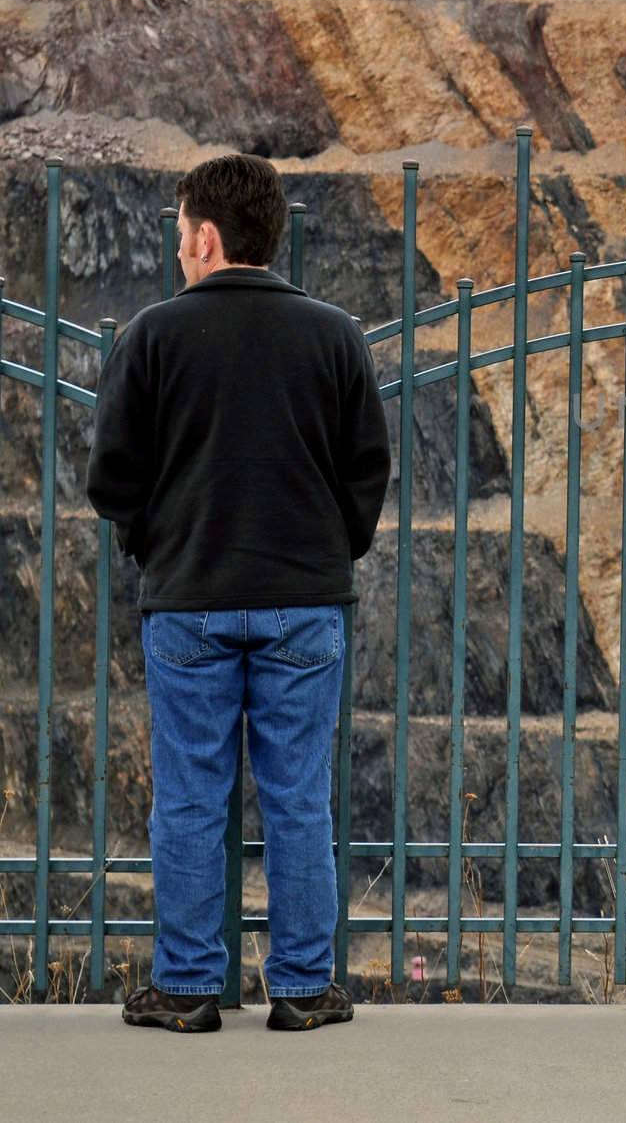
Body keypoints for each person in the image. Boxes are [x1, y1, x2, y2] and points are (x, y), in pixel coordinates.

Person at [87, 153, 391, 1033]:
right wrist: (329, 550)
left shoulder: (151, 336)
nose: (179, 251)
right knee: (298, 797)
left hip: (188, 601)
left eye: (182, 235)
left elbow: (113, 479)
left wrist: (159, 544)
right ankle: (301, 989)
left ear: (207, 237)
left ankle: (186, 988)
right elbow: (366, 471)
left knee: (188, 795)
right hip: (304, 602)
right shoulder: (335, 336)